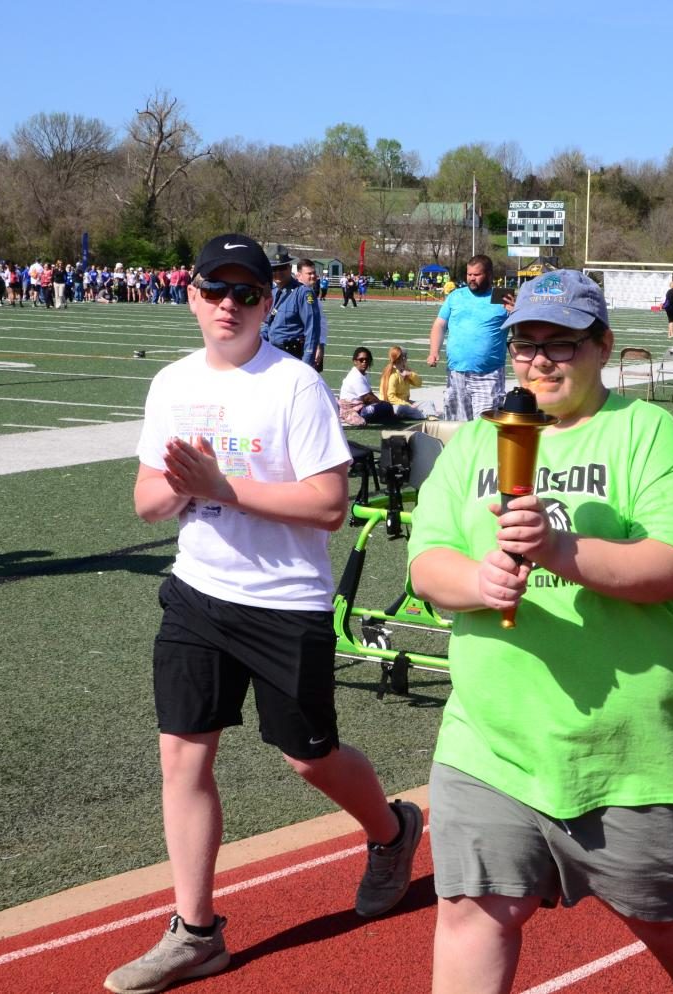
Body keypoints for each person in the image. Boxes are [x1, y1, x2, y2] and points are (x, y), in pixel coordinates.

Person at [107, 234, 422, 994]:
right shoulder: (173, 385)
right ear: (191, 295)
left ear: (267, 303)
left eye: (246, 294)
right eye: (215, 290)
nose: (228, 305)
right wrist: (188, 484)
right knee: (183, 758)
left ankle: (392, 830)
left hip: (284, 603)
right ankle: (196, 932)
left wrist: (219, 484)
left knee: (307, 758)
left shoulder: (293, 387)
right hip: (196, 593)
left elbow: (329, 507)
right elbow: (149, 502)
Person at [409, 269, 673, 994]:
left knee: (667, 919)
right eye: (526, 344)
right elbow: (428, 562)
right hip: (491, 745)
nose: (541, 361)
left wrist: (559, 552)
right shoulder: (474, 446)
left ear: (603, 348)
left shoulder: (643, 432)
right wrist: (479, 583)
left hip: (631, 753)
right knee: (471, 912)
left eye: (563, 344)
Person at [426, 255, 512, 421]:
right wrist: (433, 351)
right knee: (457, 426)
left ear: (489, 275)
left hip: (488, 375)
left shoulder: (502, 298)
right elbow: (439, 325)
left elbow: (520, 332)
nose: (471, 278)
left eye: (476, 275)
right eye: (469, 274)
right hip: (456, 373)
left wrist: (514, 312)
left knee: (485, 427)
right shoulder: (456, 296)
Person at [262, 257, 327, 371]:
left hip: (293, 356)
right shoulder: (274, 292)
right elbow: (269, 325)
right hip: (274, 356)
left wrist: (306, 363)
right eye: (274, 269)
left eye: (282, 268)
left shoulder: (303, 293)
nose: (278, 272)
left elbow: (312, 329)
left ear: (289, 268)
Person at [338, 346, 394, 426]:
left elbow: (369, 394)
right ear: (355, 361)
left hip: (360, 406)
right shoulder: (355, 376)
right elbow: (367, 398)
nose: (364, 362)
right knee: (386, 407)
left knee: (385, 407)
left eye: (367, 360)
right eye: (361, 360)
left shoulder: (363, 374)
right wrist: (381, 404)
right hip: (354, 409)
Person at [378, 346, 431, 421]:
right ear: (402, 358)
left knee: (428, 403)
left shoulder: (404, 370)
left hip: (405, 402)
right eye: (406, 357)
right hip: (392, 406)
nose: (407, 359)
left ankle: (430, 415)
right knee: (405, 409)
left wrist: (410, 374)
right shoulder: (393, 375)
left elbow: (419, 383)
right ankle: (427, 414)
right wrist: (408, 405)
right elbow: (390, 397)